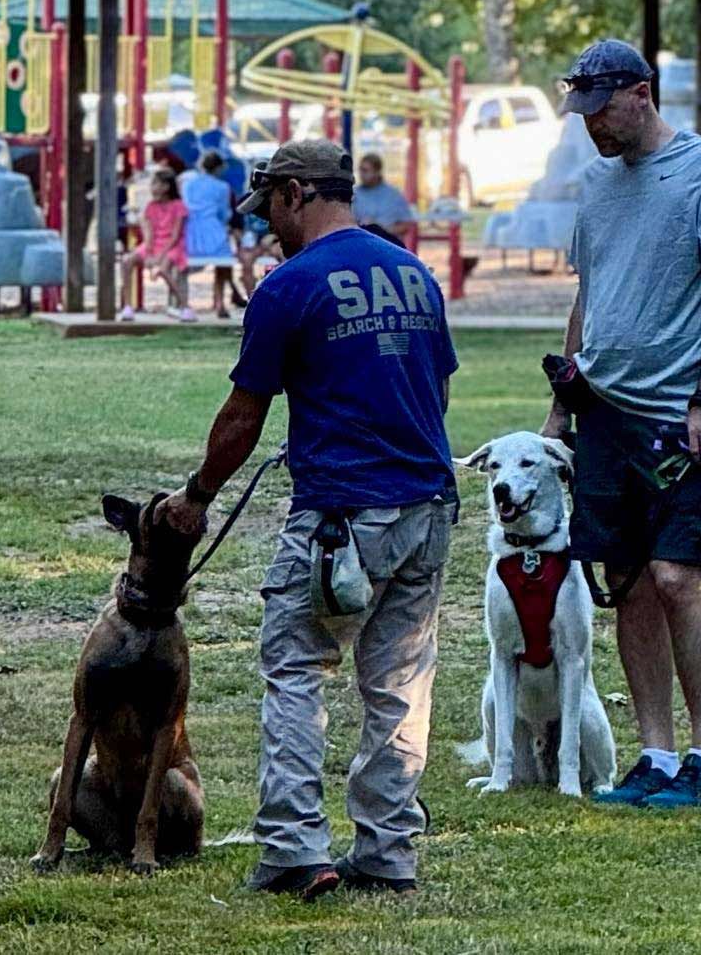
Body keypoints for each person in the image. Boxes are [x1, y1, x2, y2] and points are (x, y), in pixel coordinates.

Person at [155, 139, 459, 898]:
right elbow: (435, 392)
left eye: (272, 212)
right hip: (427, 506)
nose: (269, 231)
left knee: (296, 667)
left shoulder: (290, 287)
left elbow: (243, 415)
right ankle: (388, 851)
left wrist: (197, 495)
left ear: (295, 193)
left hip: (340, 518)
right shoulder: (415, 274)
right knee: (397, 680)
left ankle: (294, 845)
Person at [544, 39, 701, 810]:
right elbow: (587, 296)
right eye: (584, 115)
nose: (594, 128)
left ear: (642, 93)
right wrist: (564, 402)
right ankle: (656, 757)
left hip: (678, 418)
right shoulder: (598, 185)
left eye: (603, 110)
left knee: (677, 576)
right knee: (627, 581)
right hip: (605, 412)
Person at [118, 168, 191, 322]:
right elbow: (149, 235)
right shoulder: (151, 207)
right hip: (153, 244)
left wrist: (160, 256)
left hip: (172, 246)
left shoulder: (178, 206)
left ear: (166, 187)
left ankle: (185, 307)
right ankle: (127, 307)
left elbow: (175, 236)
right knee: (127, 262)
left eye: (156, 183)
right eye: (152, 184)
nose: (152, 187)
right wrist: (150, 253)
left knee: (163, 269)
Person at [180, 152, 241, 319]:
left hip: (191, 232)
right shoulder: (222, 187)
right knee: (223, 261)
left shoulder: (187, 184)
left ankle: (183, 302)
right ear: (219, 168)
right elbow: (224, 213)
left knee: (186, 265)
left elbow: (185, 206)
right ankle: (220, 302)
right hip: (213, 230)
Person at [351, 153, 418, 247]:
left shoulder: (394, 195)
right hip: (361, 247)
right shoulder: (353, 194)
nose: (361, 174)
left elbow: (407, 224)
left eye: (365, 170)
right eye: (360, 170)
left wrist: (384, 230)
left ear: (377, 172)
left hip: (389, 247)